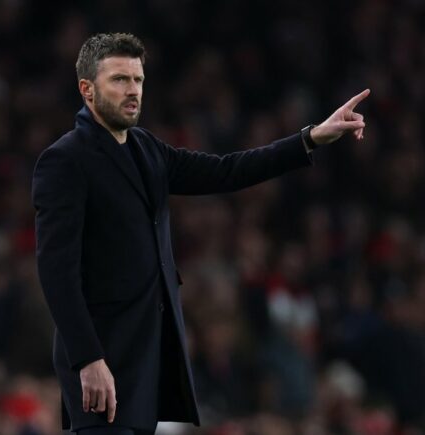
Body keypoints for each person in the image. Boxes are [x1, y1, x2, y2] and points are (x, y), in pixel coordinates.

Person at [32, 32, 369, 435]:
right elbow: (56, 273)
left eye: (138, 79)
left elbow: (226, 171)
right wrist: (87, 359)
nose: (133, 90)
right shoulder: (65, 160)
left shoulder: (147, 149)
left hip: (145, 362)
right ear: (87, 89)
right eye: (119, 79)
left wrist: (309, 138)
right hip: (101, 360)